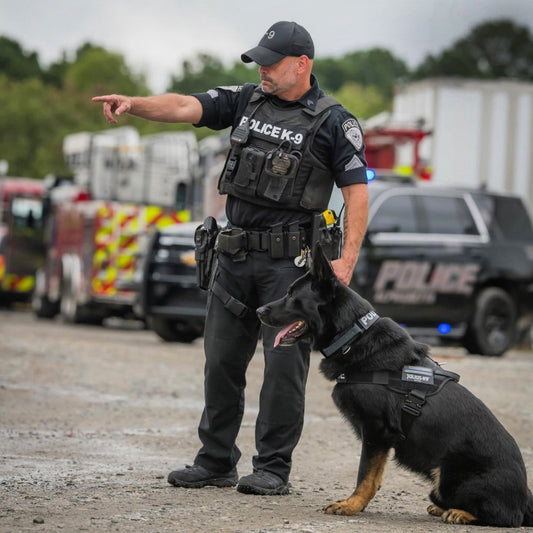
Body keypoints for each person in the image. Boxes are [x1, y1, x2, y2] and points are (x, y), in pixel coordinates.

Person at [93, 20, 369, 496]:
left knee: (283, 369)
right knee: (220, 361)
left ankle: (273, 469)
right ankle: (216, 461)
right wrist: (134, 105)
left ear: (302, 64)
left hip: (290, 265)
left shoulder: (334, 122)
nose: (262, 68)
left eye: (271, 61)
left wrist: (345, 263)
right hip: (234, 256)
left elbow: (358, 195)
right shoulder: (246, 99)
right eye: (259, 60)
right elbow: (185, 104)